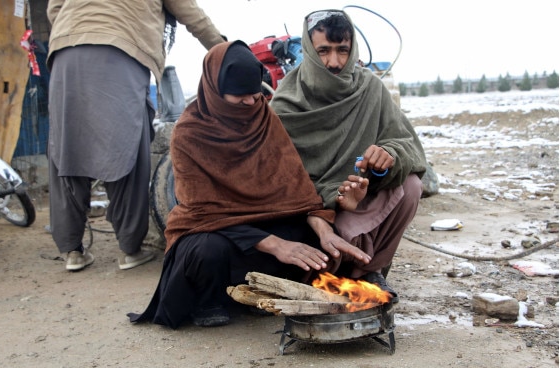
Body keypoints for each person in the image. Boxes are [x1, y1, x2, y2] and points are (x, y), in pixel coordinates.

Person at [128, 40, 367, 328]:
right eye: (240, 98)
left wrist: (322, 226)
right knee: (205, 250)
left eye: (256, 96)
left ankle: (264, 291)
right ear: (215, 91)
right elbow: (202, 211)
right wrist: (275, 245)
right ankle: (210, 300)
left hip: (267, 222)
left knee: (308, 239)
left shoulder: (264, 117)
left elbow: (297, 189)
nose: (251, 105)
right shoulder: (189, 133)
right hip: (213, 227)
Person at [46, 0, 226, 271]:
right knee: (125, 149)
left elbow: (54, 9)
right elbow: (194, 17)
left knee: (67, 149)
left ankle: (72, 251)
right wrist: (225, 50)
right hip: (121, 51)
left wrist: (82, 28)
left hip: (66, 52)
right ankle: (129, 249)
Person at [270, 9, 428, 303]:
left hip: (360, 198)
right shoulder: (286, 102)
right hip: (310, 211)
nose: (334, 62)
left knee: (411, 187)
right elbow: (278, 178)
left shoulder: (371, 89)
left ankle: (370, 271)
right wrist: (331, 201)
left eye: (342, 50)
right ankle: (332, 278)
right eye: (324, 51)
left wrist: (386, 158)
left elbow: (408, 146)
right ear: (308, 49)